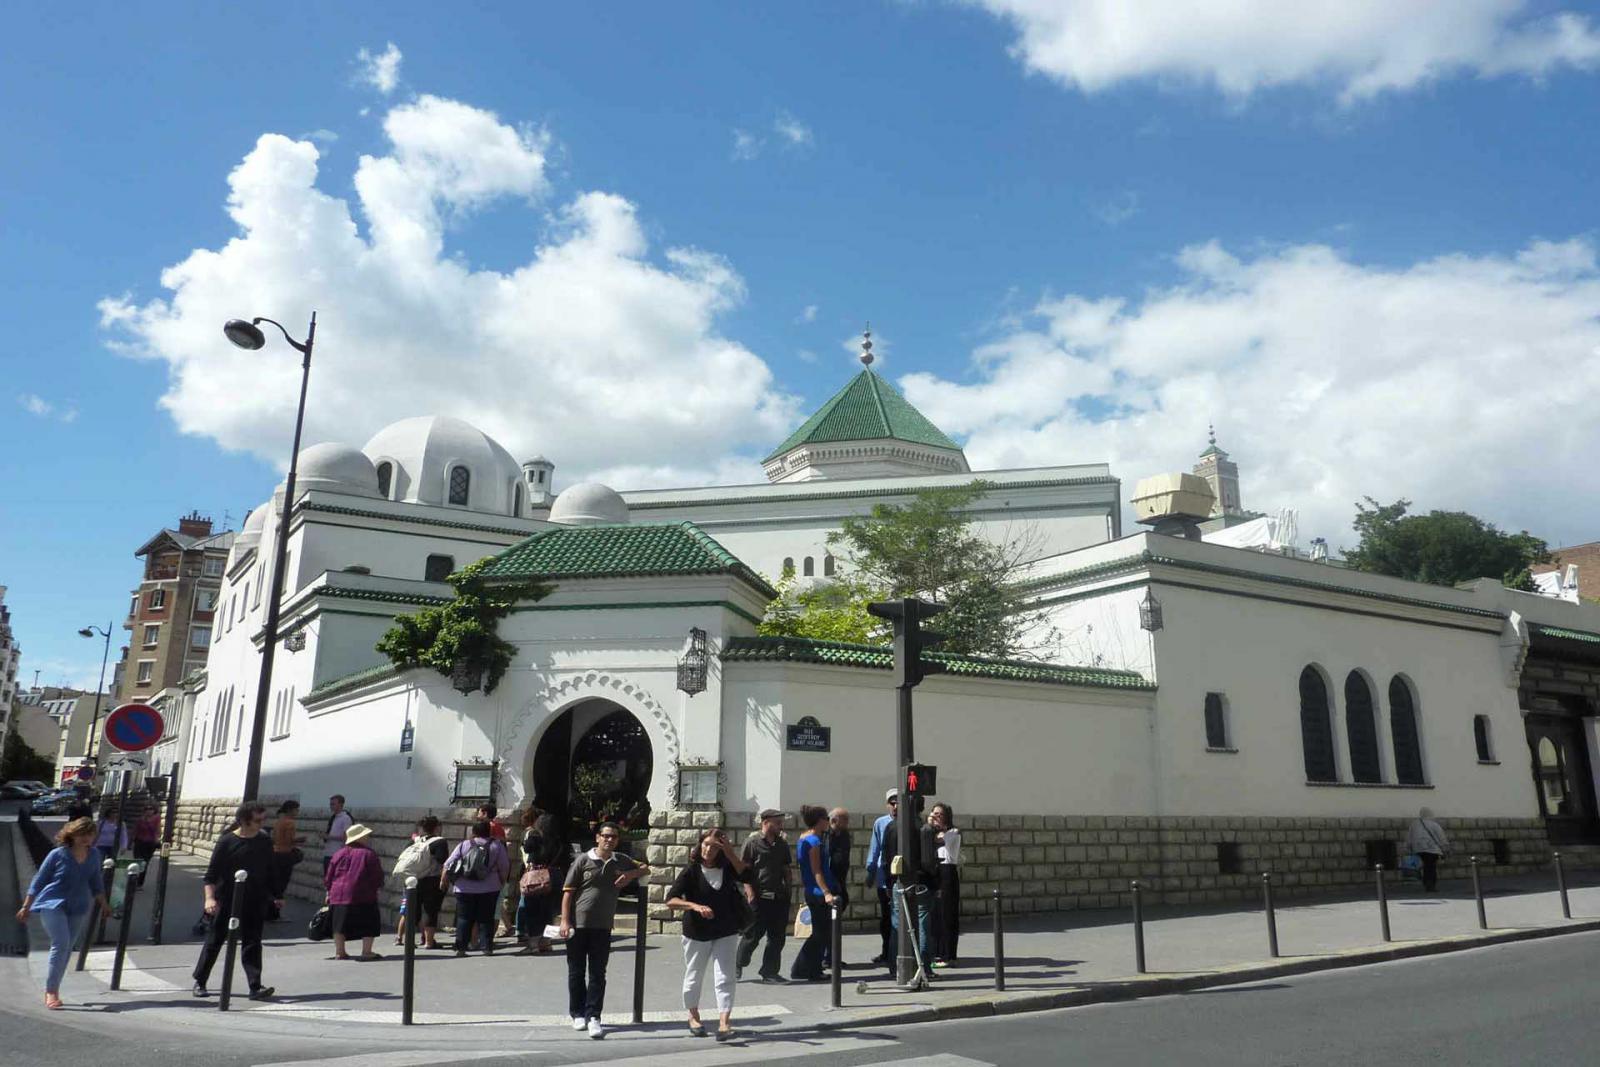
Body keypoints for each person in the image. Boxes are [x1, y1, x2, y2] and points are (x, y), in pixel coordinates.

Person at [560, 821, 651, 1039]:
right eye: (606, 836)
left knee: (598, 973)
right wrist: (565, 921)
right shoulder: (583, 860)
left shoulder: (620, 860)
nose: (609, 840)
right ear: (598, 837)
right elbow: (568, 892)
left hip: (603, 926)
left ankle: (594, 1016)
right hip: (578, 925)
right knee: (576, 971)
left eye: (614, 837)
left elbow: (646, 868)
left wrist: (629, 875)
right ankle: (577, 1013)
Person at [666, 828, 752, 1042]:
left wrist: (730, 852)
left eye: (715, 847)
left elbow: (747, 875)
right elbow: (671, 900)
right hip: (697, 932)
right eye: (706, 844)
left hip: (726, 929)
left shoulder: (727, 867)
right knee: (694, 974)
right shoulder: (691, 870)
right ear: (700, 845)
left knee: (726, 976)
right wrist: (694, 906)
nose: (709, 850)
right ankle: (693, 1015)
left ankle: (724, 1022)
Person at [16, 816, 110, 1009]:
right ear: (72, 834)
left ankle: (54, 986)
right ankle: (51, 991)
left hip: (78, 906)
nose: (86, 838)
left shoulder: (94, 855)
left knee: (67, 948)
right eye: (82, 834)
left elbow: (96, 882)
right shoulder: (58, 854)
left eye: (90, 834)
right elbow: (39, 881)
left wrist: (104, 904)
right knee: (61, 943)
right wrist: (26, 906)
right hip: (53, 903)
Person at [193, 802, 282, 1000]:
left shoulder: (264, 841)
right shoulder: (227, 842)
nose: (262, 824)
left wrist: (277, 895)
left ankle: (255, 986)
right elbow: (211, 875)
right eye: (257, 820)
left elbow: (271, 870)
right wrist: (209, 899)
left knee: (252, 942)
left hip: (255, 899)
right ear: (243, 820)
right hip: (227, 898)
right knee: (215, 940)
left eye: (263, 819)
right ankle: (200, 981)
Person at [881, 801, 937, 978]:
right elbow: (929, 860)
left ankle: (895, 967)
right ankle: (924, 967)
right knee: (922, 924)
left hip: (897, 881)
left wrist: (888, 882)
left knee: (897, 925)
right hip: (921, 881)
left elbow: (885, 858)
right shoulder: (924, 828)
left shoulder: (891, 827)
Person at [736, 809, 791, 983]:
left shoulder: (782, 844)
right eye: (778, 822)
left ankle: (769, 972)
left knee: (777, 938)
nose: (781, 826)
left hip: (778, 897)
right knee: (752, 936)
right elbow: (744, 870)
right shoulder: (752, 843)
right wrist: (750, 893)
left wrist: (788, 890)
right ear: (766, 822)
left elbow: (786, 869)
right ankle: (738, 964)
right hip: (758, 898)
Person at [443, 818, 511, 956]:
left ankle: (461, 948)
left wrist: (444, 880)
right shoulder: (496, 846)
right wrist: (501, 882)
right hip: (490, 887)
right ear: (489, 831)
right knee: (486, 918)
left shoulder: (464, 844)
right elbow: (504, 866)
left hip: (464, 887)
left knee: (464, 918)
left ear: (473, 831)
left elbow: (449, 863)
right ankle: (487, 947)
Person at [789, 805, 841, 982]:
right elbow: (817, 870)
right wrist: (826, 892)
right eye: (826, 819)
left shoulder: (804, 837)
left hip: (812, 890)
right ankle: (808, 969)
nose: (828, 822)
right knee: (821, 934)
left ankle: (804, 968)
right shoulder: (814, 842)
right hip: (818, 892)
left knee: (820, 933)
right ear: (820, 821)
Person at [325, 823, 386, 960]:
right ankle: (366, 951)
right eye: (366, 835)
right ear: (360, 837)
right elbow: (376, 875)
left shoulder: (338, 854)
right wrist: (378, 887)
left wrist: (329, 891)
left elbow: (329, 875)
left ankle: (340, 952)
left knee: (339, 924)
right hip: (362, 892)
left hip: (338, 893)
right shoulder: (368, 854)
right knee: (369, 921)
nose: (368, 837)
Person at [395, 816, 450, 949]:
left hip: (413, 880)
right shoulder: (440, 842)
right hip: (432, 880)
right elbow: (443, 861)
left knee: (412, 910)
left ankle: (409, 940)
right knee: (431, 910)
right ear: (437, 828)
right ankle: (429, 942)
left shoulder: (414, 841)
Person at [517, 810, 561, 953]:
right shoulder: (558, 840)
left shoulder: (535, 836)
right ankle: (547, 942)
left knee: (533, 910)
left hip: (537, 876)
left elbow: (527, 848)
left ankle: (533, 944)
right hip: (554, 875)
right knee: (550, 911)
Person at [863, 789, 898, 966]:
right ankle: (886, 952)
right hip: (884, 877)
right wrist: (870, 872)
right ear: (887, 805)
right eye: (892, 803)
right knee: (886, 917)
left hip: (901, 876)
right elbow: (875, 848)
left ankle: (898, 951)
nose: (895, 806)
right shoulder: (880, 823)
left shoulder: (908, 821)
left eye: (898, 803)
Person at [929, 803, 962, 965]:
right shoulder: (932, 832)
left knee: (947, 913)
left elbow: (939, 840)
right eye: (934, 813)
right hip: (936, 871)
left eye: (939, 814)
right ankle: (937, 951)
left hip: (948, 871)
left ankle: (948, 954)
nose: (936, 817)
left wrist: (930, 825)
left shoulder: (953, 832)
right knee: (935, 913)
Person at [268, 800, 304, 922]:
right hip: (285, 855)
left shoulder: (278, 821)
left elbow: (275, 838)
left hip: (275, 853)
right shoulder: (290, 823)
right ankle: (275, 914)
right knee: (281, 885)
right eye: (296, 810)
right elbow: (289, 840)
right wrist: (300, 840)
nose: (297, 812)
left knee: (274, 884)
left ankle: (269, 911)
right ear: (290, 810)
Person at [1407, 807, 1451, 892]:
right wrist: (1445, 847)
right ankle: (1430, 885)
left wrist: (1408, 847)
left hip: (1419, 849)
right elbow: (1441, 837)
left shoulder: (1414, 824)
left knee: (1426, 866)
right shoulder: (1434, 824)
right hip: (1432, 850)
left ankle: (1426, 883)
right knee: (1431, 867)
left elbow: (1409, 836)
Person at [132, 801, 161, 888]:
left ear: (154, 810)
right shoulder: (140, 820)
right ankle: (134, 879)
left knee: (144, 863)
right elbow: (135, 831)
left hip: (150, 844)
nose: (149, 811)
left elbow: (158, 831)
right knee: (137, 861)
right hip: (139, 842)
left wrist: (157, 839)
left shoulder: (156, 819)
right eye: (147, 809)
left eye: (151, 809)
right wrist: (131, 841)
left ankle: (139, 883)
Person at [322, 794, 353, 876]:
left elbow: (346, 837)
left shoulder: (345, 818)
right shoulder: (333, 818)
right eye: (330, 804)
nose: (331, 806)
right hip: (328, 853)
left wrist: (329, 837)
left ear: (341, 804)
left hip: (338, 854)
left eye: (333, 804)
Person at [93, 804, 127, 869]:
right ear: (108, 813)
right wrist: (92, 844)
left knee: (111, 863)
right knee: (99, 862)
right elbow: (96, 833)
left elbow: (123, 835)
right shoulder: (102, 822)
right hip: (101, 845)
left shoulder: (121, 824)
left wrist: (124, 846)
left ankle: (109, 874)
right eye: (112, 812)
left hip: (113, 846)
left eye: (116, 812)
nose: (114, 814)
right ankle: (99, 874)